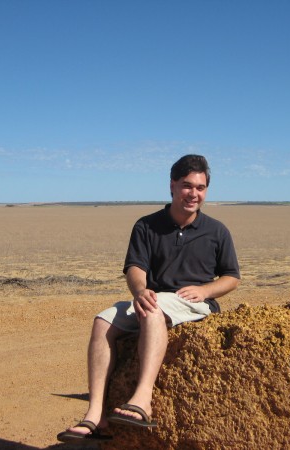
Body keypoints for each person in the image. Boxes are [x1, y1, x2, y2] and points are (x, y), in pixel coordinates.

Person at [57, 154, 240, 443]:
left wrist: (205, 291)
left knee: (154, 310)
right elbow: (135, 268)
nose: (194, 194)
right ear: (172, 186)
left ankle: (142, 400)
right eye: (186, 186)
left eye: (201, 187)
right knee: (103, 321)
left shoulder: (217, 231)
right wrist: (140, 291)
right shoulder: (146, 225)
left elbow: (232, 277)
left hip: (193, 303)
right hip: (152, 296)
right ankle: (96, 416)